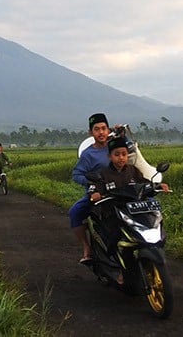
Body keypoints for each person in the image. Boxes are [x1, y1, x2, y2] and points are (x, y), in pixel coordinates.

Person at [69, 113, 112, 264]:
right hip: (98, 193)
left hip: (119, 191)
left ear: (108, 130)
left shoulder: (115, 147)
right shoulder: (88, 154)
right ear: (91, 133)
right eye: (97, 129)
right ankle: (86, 246)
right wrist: (90, 183)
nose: (101, 132)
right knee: (74, 212)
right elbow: (76, 174)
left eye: (104, 128)